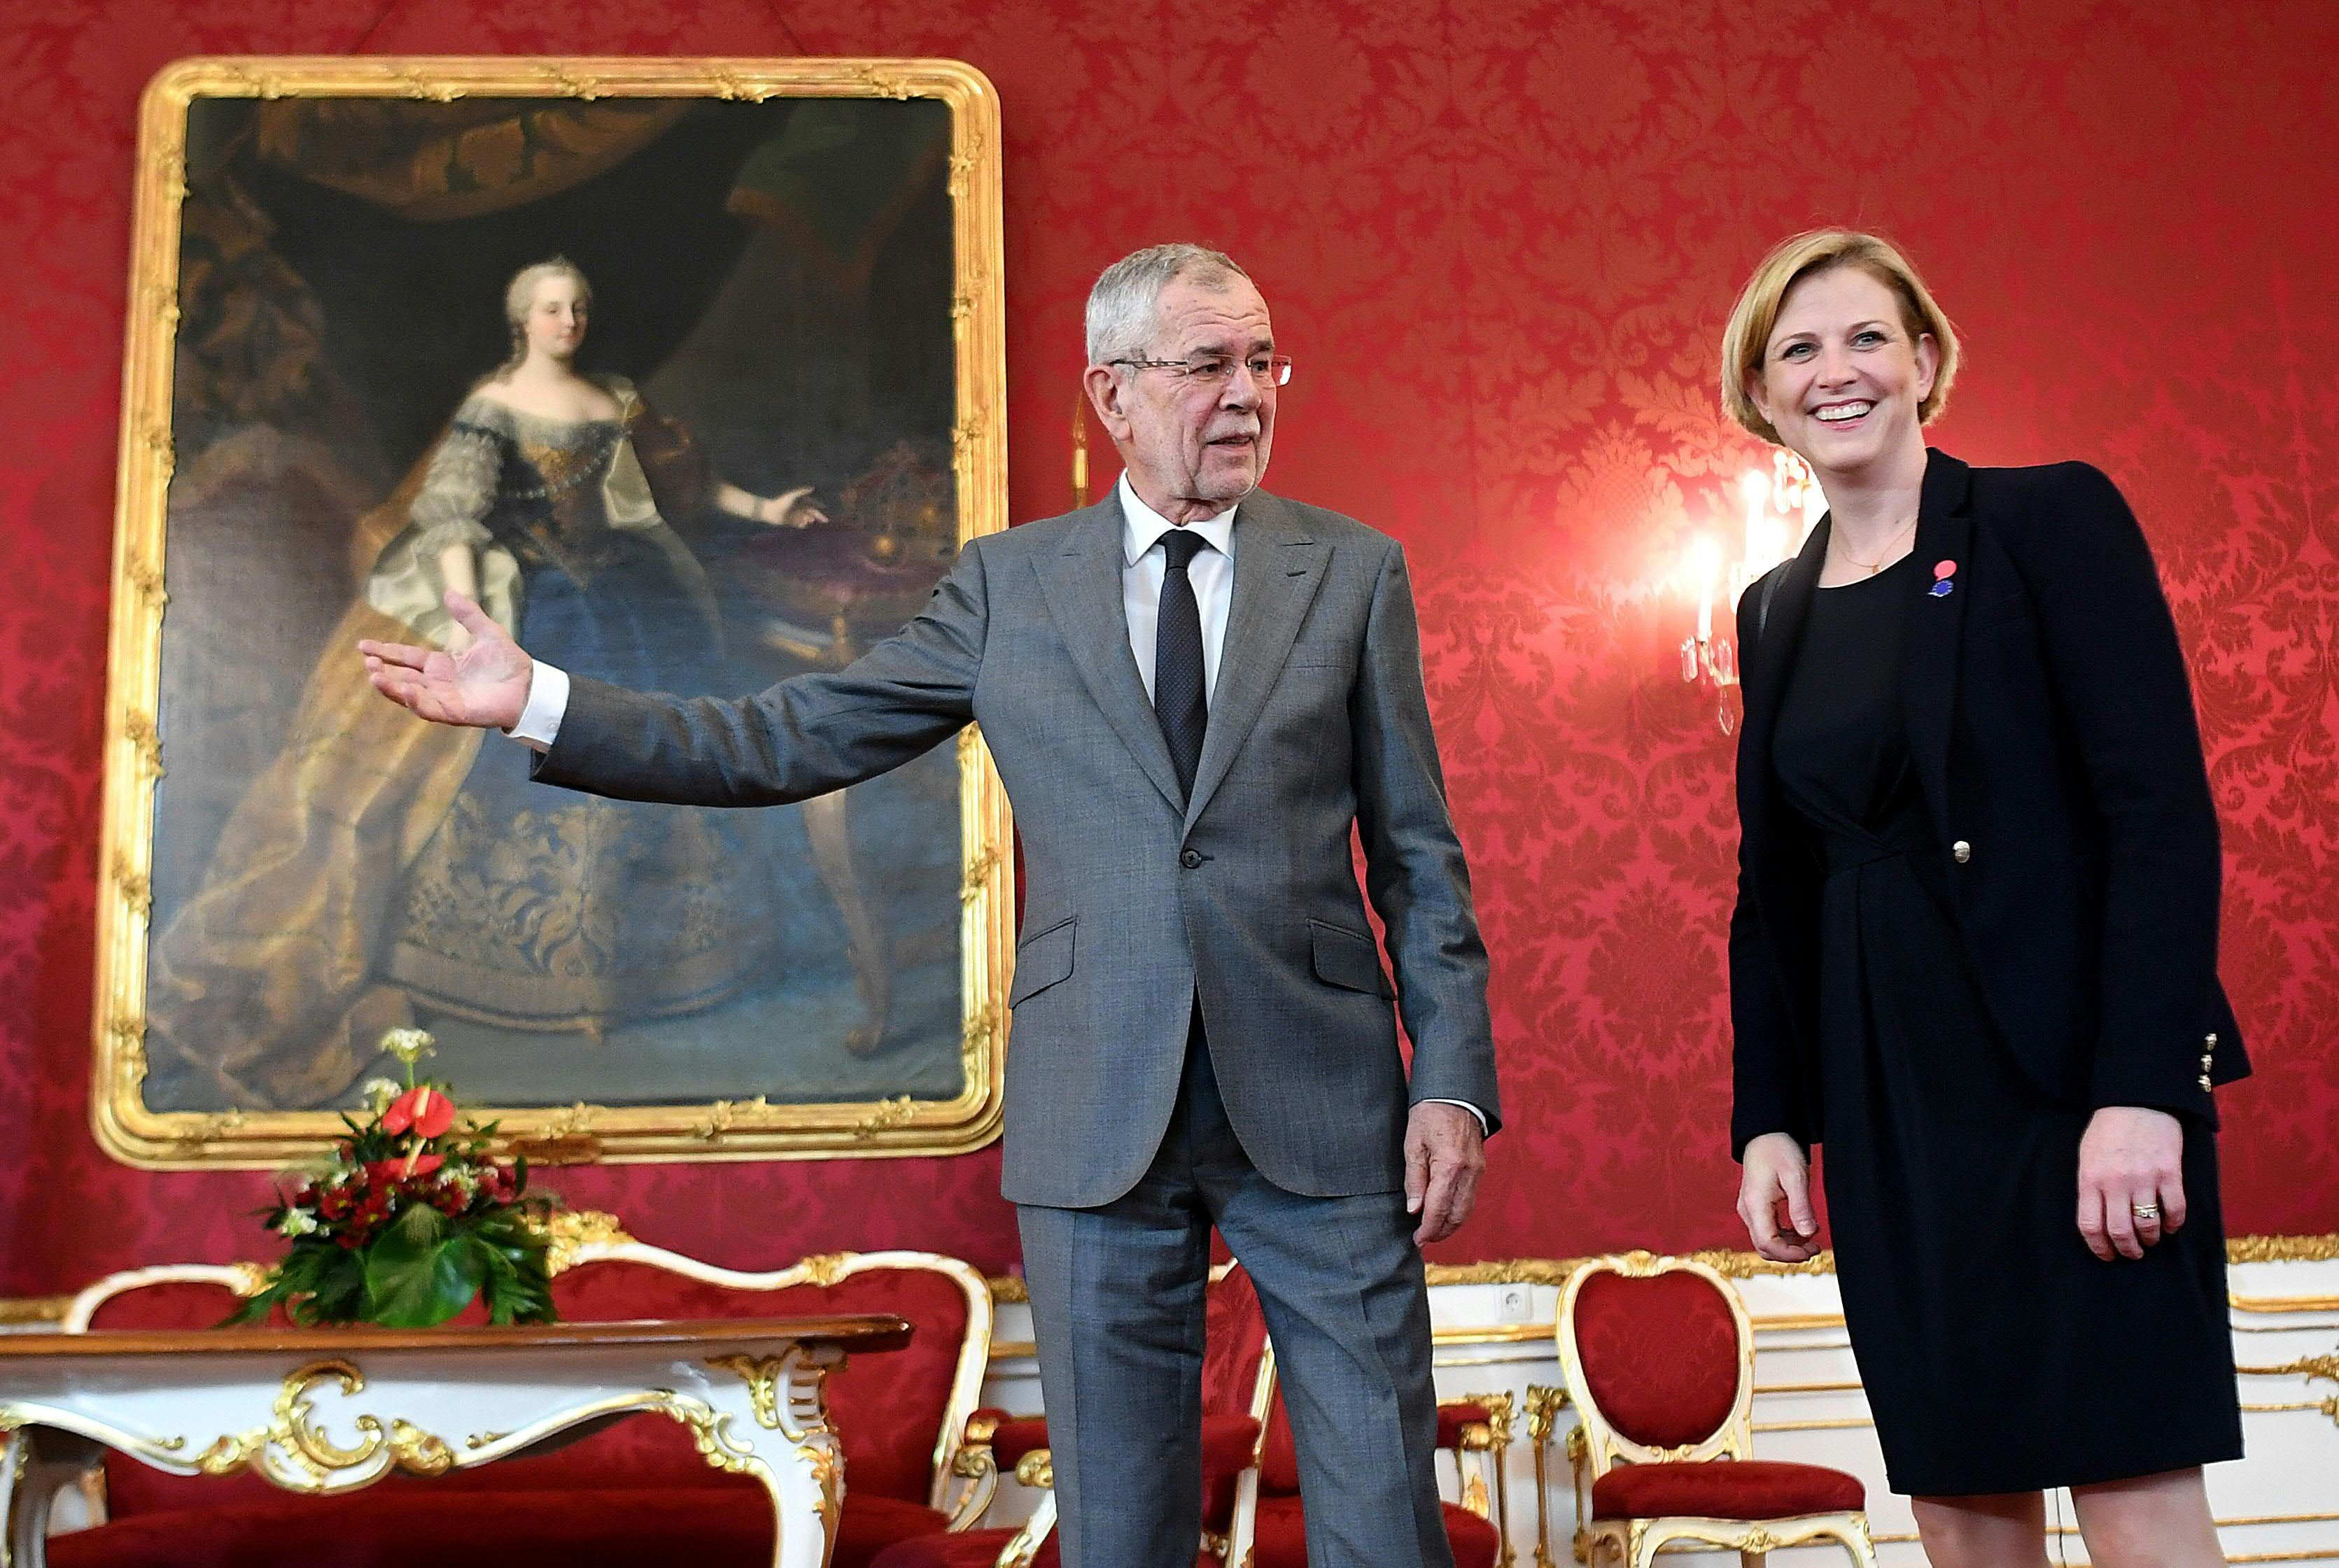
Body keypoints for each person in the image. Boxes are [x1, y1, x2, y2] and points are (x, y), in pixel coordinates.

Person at [363, 242, 1501, 1568]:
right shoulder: (1010, 588)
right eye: (1207, 365)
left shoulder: (1350, 572)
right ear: (1111, 392)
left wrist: (1452, 1083)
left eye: (1262, 361)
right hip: (1096, 1103)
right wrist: (539, 702)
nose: (1246, 392)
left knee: (1382, 1525)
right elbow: (779, 739)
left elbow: (1419, 854)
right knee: (1121, 1533)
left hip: (1322, 1093)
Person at [1721, 229, 2245, 1568]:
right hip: (1894, 1105)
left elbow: (2158, 817)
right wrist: (1772, 1119)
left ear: (1926, 361)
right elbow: (1767, 886)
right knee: (1960, 1499)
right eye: (1798, 349)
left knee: (2129, 1480)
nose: (1835, 371)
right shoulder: (1769, 610)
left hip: (2073, 1092)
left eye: (1865, 338)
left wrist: (2140, 1091)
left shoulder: (2043, 520)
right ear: (1760, 395)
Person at [146, 257, 842, 1106]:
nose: (568, 323)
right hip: (525, 593)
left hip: (624, 588)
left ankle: (652, 962)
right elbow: (448, 514)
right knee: (523, 728)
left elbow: (681, 483)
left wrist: (766, 510)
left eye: (579, 308)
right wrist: (472, 609)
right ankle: (508, 962)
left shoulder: (616, 398)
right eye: (552, 310)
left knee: (658, 720)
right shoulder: (493, 407)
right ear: (524, 321)